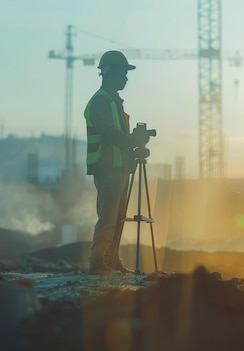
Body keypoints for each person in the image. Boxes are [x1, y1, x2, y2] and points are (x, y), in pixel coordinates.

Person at [83, 50, 140, 274]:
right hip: (107, 168)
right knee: (108, 217)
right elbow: (108, 134)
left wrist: (130, 148)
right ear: (110, 73)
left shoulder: (114, 102)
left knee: (117, 217)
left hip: (119, 167)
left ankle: (112, 260)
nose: (126, 78)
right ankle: (97, 262)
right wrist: (132, 140)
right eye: (122, 73)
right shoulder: (101, 101)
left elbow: (117, 136)